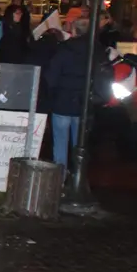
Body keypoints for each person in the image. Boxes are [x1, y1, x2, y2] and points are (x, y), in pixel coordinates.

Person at [45, 17, 93, 168]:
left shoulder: (63, 49)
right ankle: (78, 175)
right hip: (82, 103)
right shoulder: (94, 50)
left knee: (60, 143)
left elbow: (51, 76)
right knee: (79, 144)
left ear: (73, 30)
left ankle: (61, 176)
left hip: (62, 101)